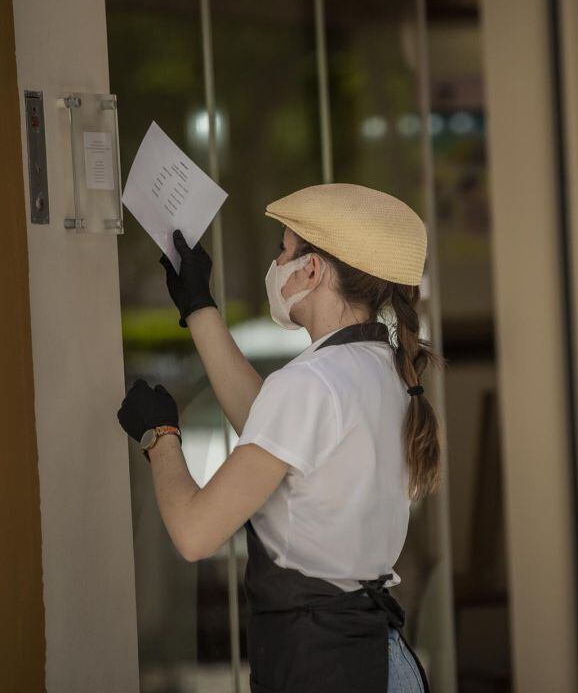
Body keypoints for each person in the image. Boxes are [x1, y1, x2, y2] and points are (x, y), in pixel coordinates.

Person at [116, 183, 441, 693]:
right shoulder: (382, 369)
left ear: (312, 270)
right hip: (379, 661)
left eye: (284, 250)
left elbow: (195, 533)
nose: (278, 263)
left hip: (324, 669)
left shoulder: (313, 383)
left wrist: (160, 437)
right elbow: (269, 427)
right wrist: (199, 306)